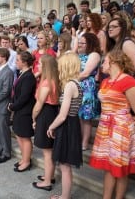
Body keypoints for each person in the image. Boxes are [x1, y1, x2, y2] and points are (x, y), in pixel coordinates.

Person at [89, 50, 135, 199]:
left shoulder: (129, 81)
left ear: (114, 61)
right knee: (108, 167)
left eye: (104, 61)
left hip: (122, 129)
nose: (102, 65)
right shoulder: (106, 81)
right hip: (105, 127)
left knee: (120, 168)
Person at [47, 52, 83, 199]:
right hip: (72, 124)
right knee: (65, 165)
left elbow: (62, 115)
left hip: (68, 125)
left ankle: (65, 197)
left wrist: (51, 126)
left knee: (64, 166)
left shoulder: (69, 85)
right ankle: (65, 195)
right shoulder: (77, 83)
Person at [32, 55, 60, 191]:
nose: (38, 66)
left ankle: (47, 181)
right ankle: (50, 176)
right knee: (49, 149)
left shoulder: (46, 83)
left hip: (45, 114)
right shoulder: (54, 80)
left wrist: (33, 118)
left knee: (47, 152)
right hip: (52, 112)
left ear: (46, 66)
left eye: (40, 64)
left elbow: (39, 105)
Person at [8, 51, 36, 172]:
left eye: (18, 60)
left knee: (25, 138)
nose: (16, 62)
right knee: (19, 135)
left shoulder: (29, 76)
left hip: (25, 111)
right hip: (20, 110)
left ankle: (27, 161)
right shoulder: (22, 73)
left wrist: (12, 106)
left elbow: (24, 97)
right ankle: (23, 158)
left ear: (24, 62)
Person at [78, 33, 101, 151]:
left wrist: (71, 79)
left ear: (90, 44)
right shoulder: (80, 55)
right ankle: (80, 139)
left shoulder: (94, 55)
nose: (79, 45)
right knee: (80, 116)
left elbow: (86, 73)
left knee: (86, 117)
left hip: (87, 87)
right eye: (79, 42)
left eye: (82, 43)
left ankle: (85, 143)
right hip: (78, 86)